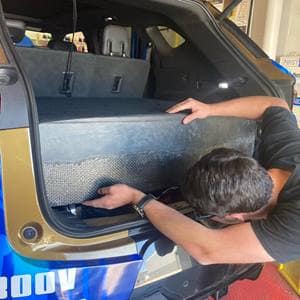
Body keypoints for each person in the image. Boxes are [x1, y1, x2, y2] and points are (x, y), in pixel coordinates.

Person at [83, 96, 300, 264]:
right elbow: (275, 105)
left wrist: (139, 198)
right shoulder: (289, 152)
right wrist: (210, 109)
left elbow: (208, 251)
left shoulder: (293, 226)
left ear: (235, 216)